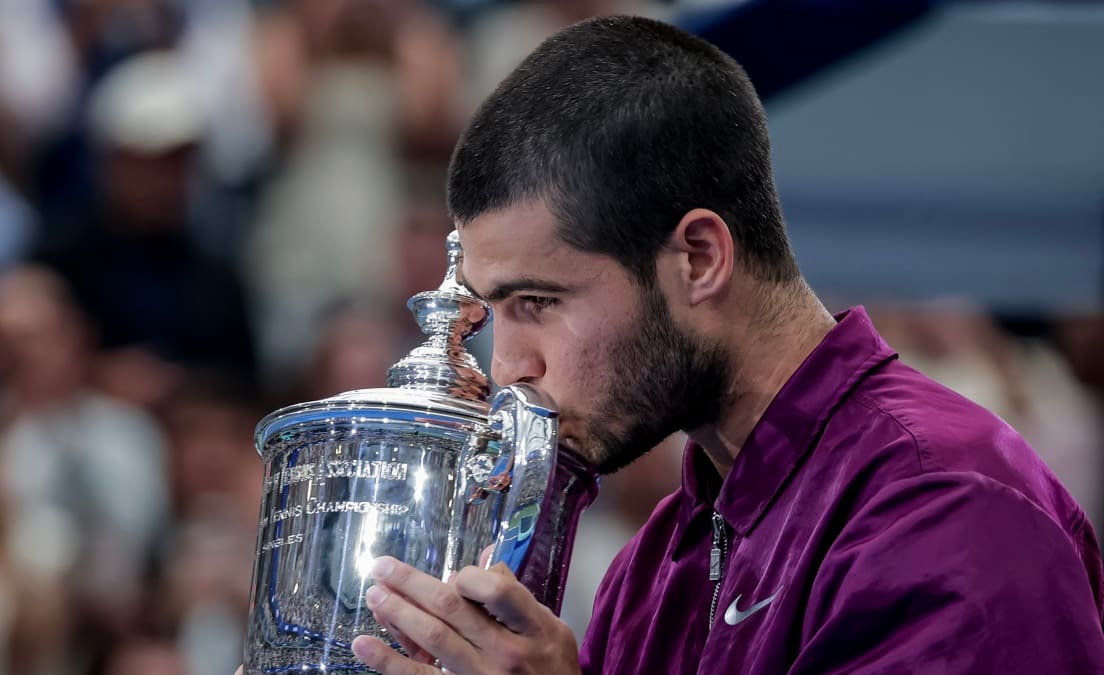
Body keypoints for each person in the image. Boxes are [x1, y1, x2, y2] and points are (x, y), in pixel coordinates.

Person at [239, 15, 1104, 675]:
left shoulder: (945, 511)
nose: (509, 365)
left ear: (698, 257)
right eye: (496, 310)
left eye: (538, 300)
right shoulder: (656, 562)